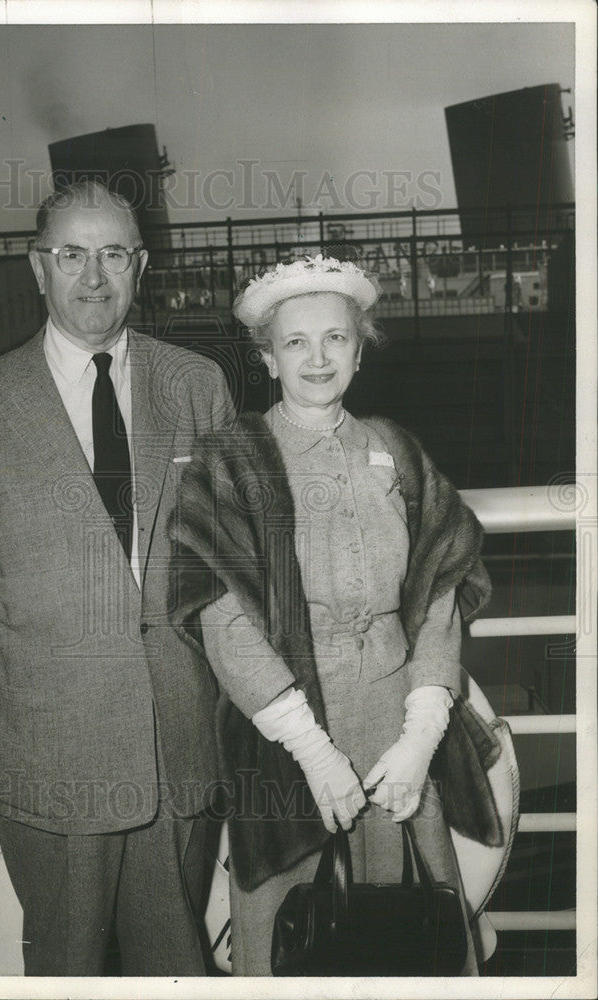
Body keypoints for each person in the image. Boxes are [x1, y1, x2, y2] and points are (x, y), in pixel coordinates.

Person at [0, 180, 235, 976]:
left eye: (113, 253)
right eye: (70, 254)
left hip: (175, 737)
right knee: (66, 963)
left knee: (175, 962)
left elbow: (230, 557)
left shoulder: (196, 386)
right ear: (35, 267)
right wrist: (23, 676)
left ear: (141, 265)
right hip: (49, 745)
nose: (93, 277)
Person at [168, 252, 492, 975]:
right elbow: (219, 613)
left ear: (359, 347)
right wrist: (313, 753)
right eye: (295, 342)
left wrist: (421, 735)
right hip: (285, 735)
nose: (317, 358)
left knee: (409, 933)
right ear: (267, 357)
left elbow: (438, 586)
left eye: (336, 338)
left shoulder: (395, 450)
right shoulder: (229, 462)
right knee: (295, 935)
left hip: (394, 721)